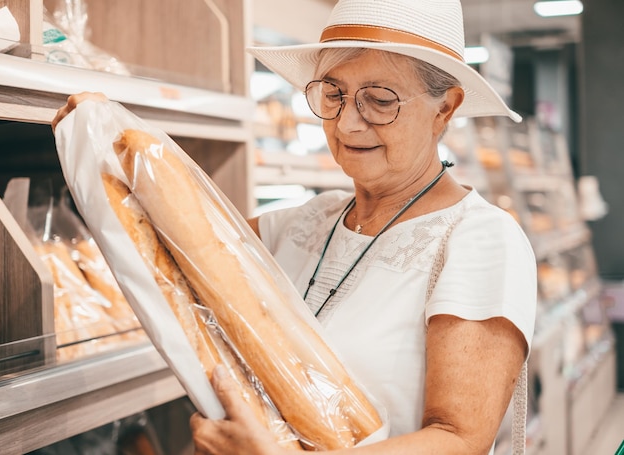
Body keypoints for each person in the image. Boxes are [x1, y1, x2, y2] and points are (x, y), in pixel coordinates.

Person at [52, 0, 537, 453]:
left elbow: (458, 440)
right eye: (334, 94)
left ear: (445, 109)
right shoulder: (303, 222)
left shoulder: (479, 239)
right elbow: (169, 244)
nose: (347, 123)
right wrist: (96, 132)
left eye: (379, 100)